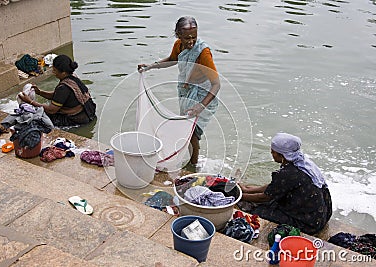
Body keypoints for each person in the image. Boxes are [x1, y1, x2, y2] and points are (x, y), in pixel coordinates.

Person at [138, 16, 220, 167]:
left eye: (194, 37)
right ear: (178, 35)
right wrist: (150, 66)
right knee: (187, 130)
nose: (191, 42)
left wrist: (200, 106)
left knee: (193, 132)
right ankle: (190, 161)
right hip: (186, 92)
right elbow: (171, 59)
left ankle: (193, 165)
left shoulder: (203, 52)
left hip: (203, 95)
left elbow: (216, 84)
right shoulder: (178, 45)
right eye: (186, 38)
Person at [238, 133, 332, 235]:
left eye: (273, 152)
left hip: (310, 223)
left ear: (282, 155)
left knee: (259, 210)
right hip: (322, 215)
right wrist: (248, 190)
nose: (271, 153)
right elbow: (276, 186)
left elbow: (265, 197)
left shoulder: (288, 173)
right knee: (271, 201)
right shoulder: (302, 162)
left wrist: (240, 196)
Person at [19, 54, 96, 127]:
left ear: (63, 72)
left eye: (55, 70)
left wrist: (30, 102)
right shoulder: (72, 77)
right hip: (88, 113)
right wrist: (39, 92)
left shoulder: (63, 88)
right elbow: (58, 96)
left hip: (77, 119)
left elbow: (51, 110)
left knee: (38, 117)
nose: (53, 72)